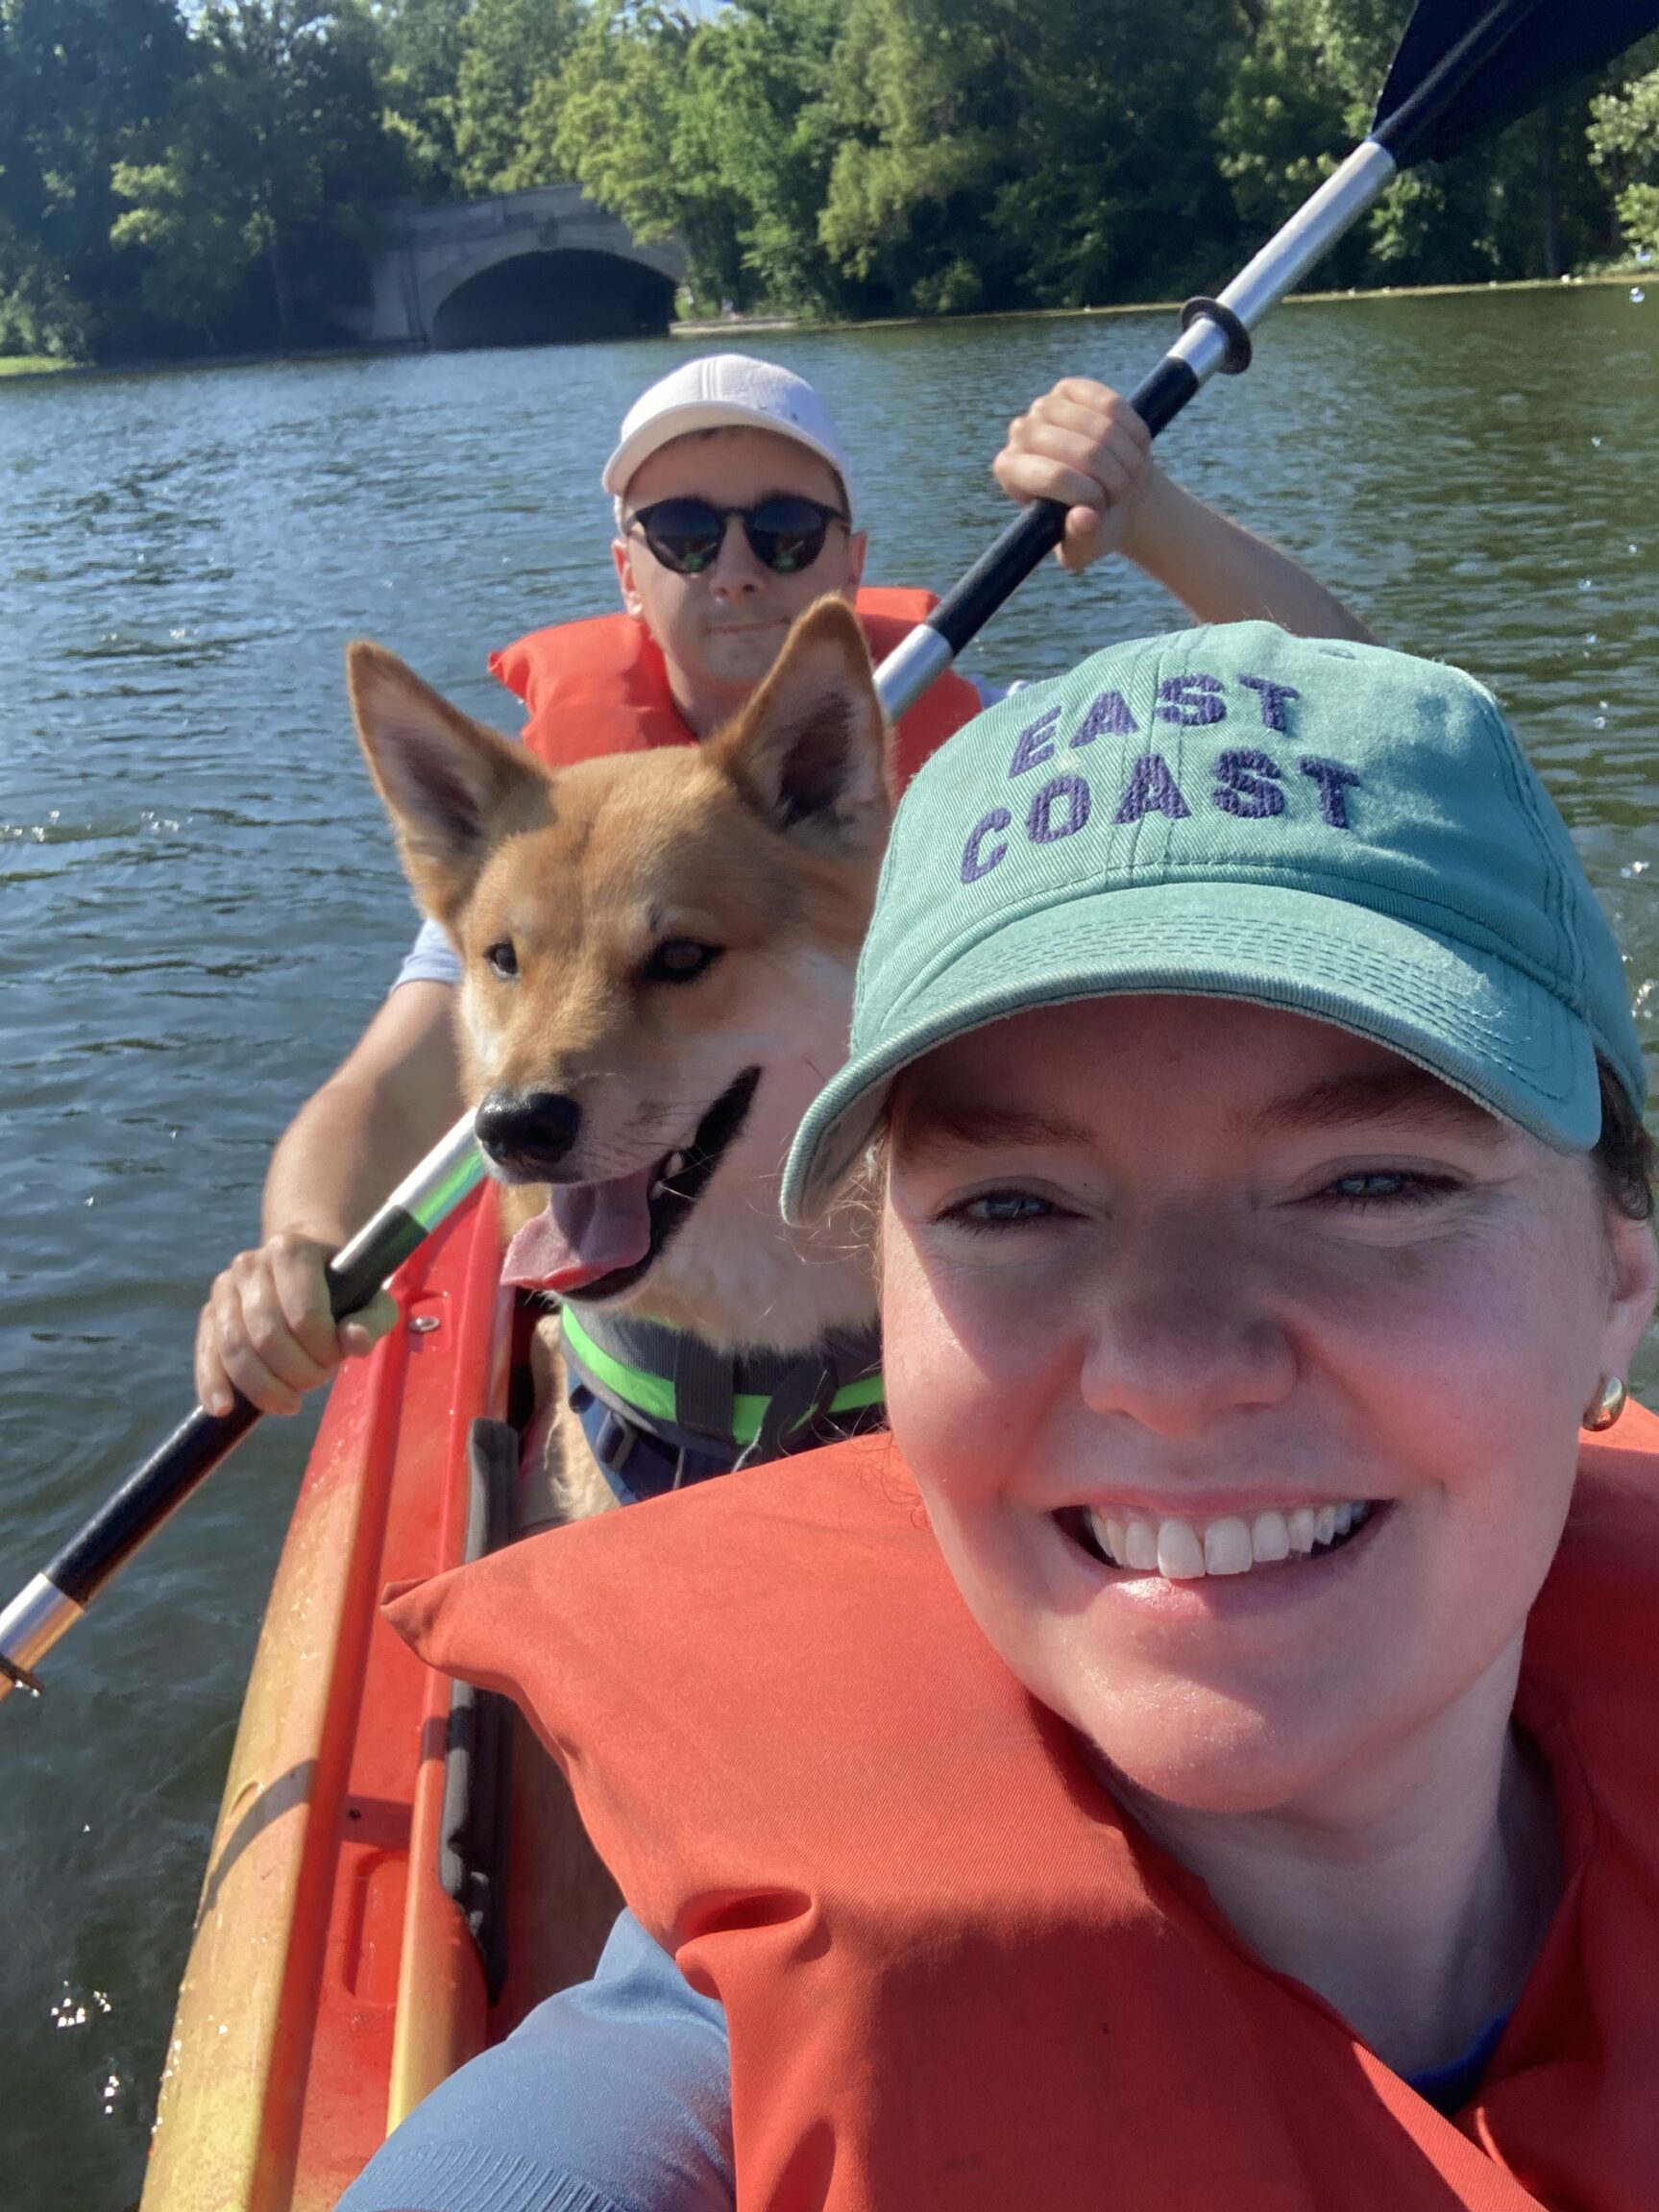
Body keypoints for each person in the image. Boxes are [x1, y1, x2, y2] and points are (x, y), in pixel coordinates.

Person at [213, 623, 1659, 2212]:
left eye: (1371, 1181)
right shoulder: (671, 2110)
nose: (1171, 1368)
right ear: (886, 1301)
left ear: (1617, 1286)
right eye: (1007, 1201)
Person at [194, 353, 1371, 1422]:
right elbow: (385, 1091)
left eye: (789, 530)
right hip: (642, 1401)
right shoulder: (526, 843)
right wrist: (295, 1252)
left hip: (929, 1366)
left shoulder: (991, 779)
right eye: (687, 532)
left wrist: (1152, 516)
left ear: (850, 559)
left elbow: (1342, 712)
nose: (740, 571)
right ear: (628, 569)